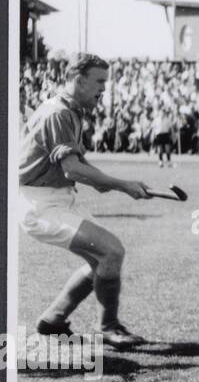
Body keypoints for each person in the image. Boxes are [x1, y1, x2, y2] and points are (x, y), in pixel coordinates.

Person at [17, 53, 153, 348]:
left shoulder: (72, 110)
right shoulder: (57, 113)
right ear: (78, 80)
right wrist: (121, 185)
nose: (104, 88)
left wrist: (101, 182)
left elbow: (77, 164)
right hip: (38, 205)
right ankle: (109, 328)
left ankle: (52, 321)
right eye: (99, 81)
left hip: (58, 198)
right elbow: (72, 168)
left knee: (101, 261)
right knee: (111, 252)